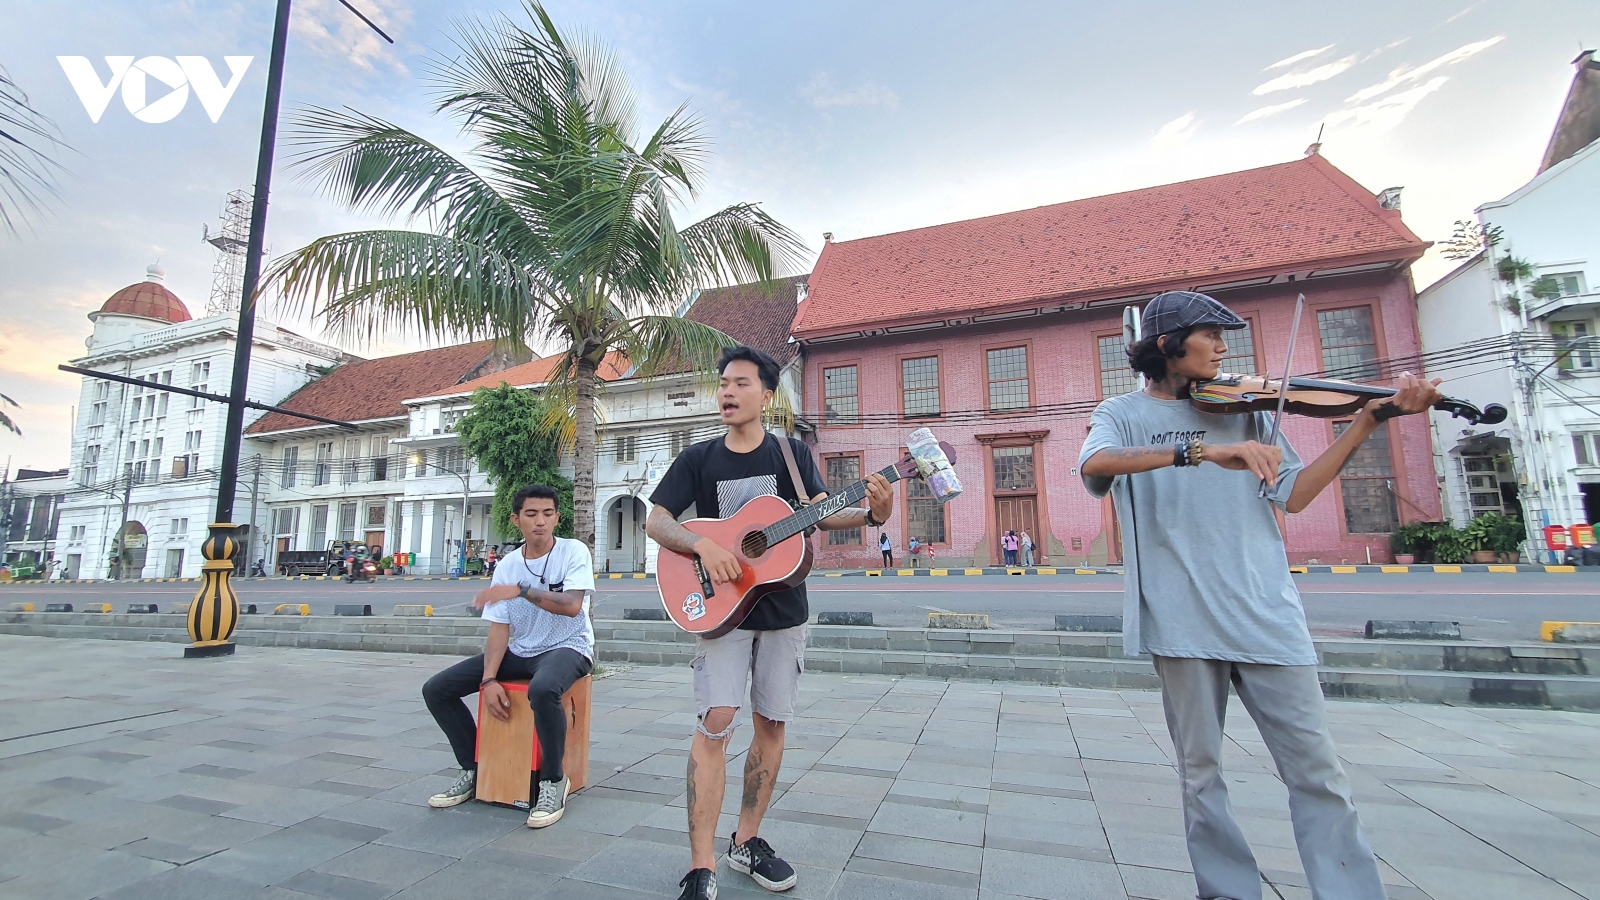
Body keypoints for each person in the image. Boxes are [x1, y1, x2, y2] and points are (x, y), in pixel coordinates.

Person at [1079, 290, 1442, 900]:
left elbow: (1294, 495)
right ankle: (1227, 891)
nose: (1224, 348)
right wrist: (1201, 450)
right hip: (1180, 619)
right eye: (1210, 335)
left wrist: (1366, 421)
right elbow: (1096, 465)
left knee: (1318, 772)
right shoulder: (1121, 413)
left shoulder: (1249, 410)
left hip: (1267, 613)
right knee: (1201, 774)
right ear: (1168, 343)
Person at [646, 346, 894, 900]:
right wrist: (703, 545)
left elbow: (826, 511)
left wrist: (875, 511)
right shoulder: (699, 459)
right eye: (723, 384)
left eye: (740, 383)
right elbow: (657, 519)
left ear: (767, 394)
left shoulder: (791, 454)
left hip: (783, 610)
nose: (727, 393)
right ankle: (701, 863)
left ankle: (747, 839)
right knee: (718, 719)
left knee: (772, 723)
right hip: (722, 613)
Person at [421, 484, 595, 829]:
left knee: (543, 689)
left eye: (548, 514)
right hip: (522, 650)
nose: (540, 522)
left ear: (557, 517)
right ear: (516, 520)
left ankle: (553, 781)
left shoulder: (573, 551)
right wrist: (488, 680)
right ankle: (474, 768)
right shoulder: (508, 565)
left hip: (569, 646)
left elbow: (573, 607)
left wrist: (521, 590)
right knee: (436, 689)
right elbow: (499, 628)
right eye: (531, 514)